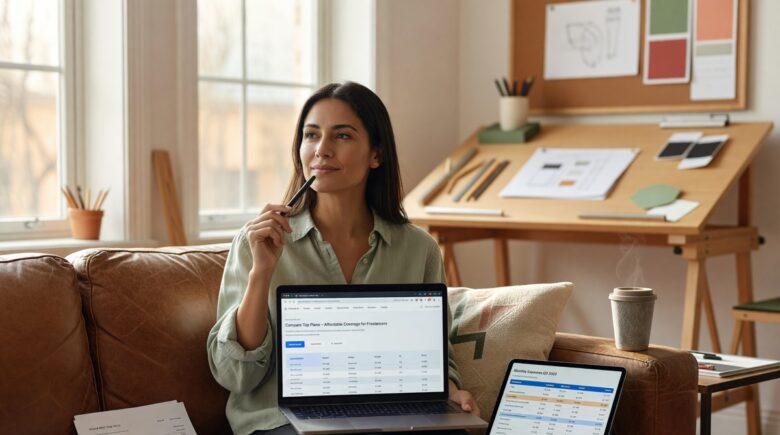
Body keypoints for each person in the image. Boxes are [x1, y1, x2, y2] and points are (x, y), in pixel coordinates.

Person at [207, 82, 479, 435]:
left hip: (387, 418)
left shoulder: (419, 249)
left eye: (343, 136)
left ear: (376, 154)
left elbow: (434, 360)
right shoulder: (258, 241)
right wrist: (262, 272)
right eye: (311, 135)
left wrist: (452, 392)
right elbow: (236, 376)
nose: (322, 150)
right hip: (280, 422)